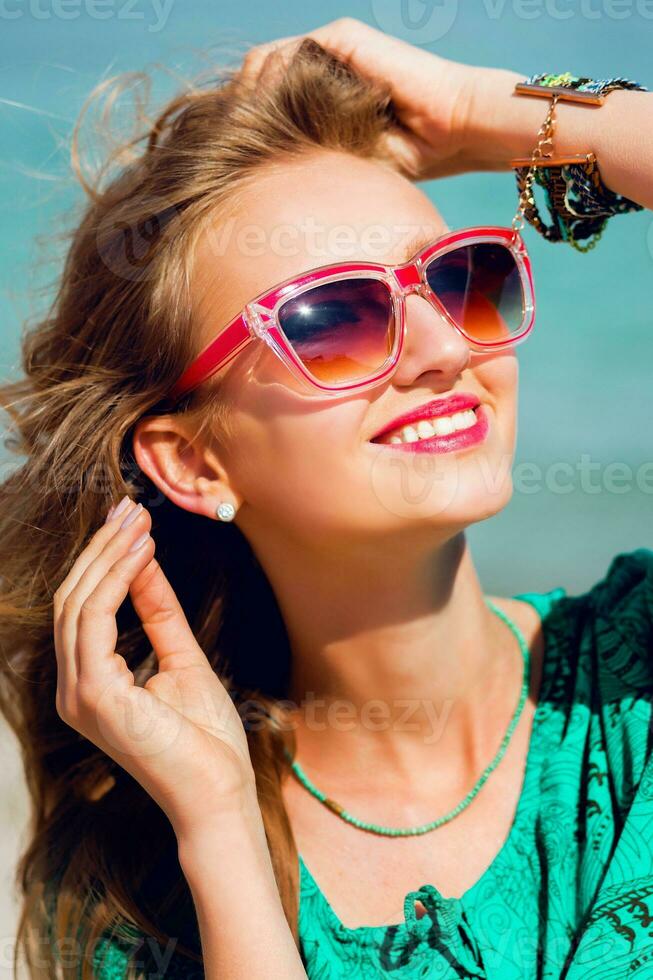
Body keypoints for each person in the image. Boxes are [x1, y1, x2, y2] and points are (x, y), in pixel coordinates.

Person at [1, 16, 652, 980]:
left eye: (460, 280)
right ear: (194, 464)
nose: (444, 350)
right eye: (335, 320)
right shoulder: (142, 881)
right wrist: (221, 837)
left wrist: (498, 114)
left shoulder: (631, 670)